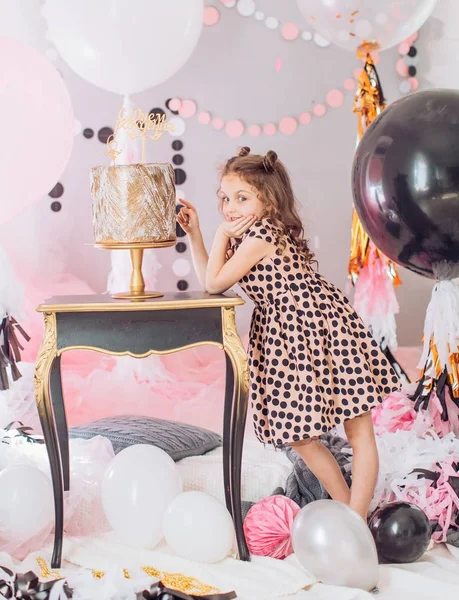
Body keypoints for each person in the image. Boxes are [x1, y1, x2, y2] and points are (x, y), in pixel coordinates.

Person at [177, 147, 400, 520]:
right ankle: (349, 511)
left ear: (268, 199)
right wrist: (197, 234)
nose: (230, 208)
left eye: (242, 198)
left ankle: (355, 518)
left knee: (358, 424)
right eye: (225, 199)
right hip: (286, 332)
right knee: (300, 433)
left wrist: (217, 235)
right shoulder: (247, 235)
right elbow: (211, 280)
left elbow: (215, 282)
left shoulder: (262, 234)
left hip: (314, 325)